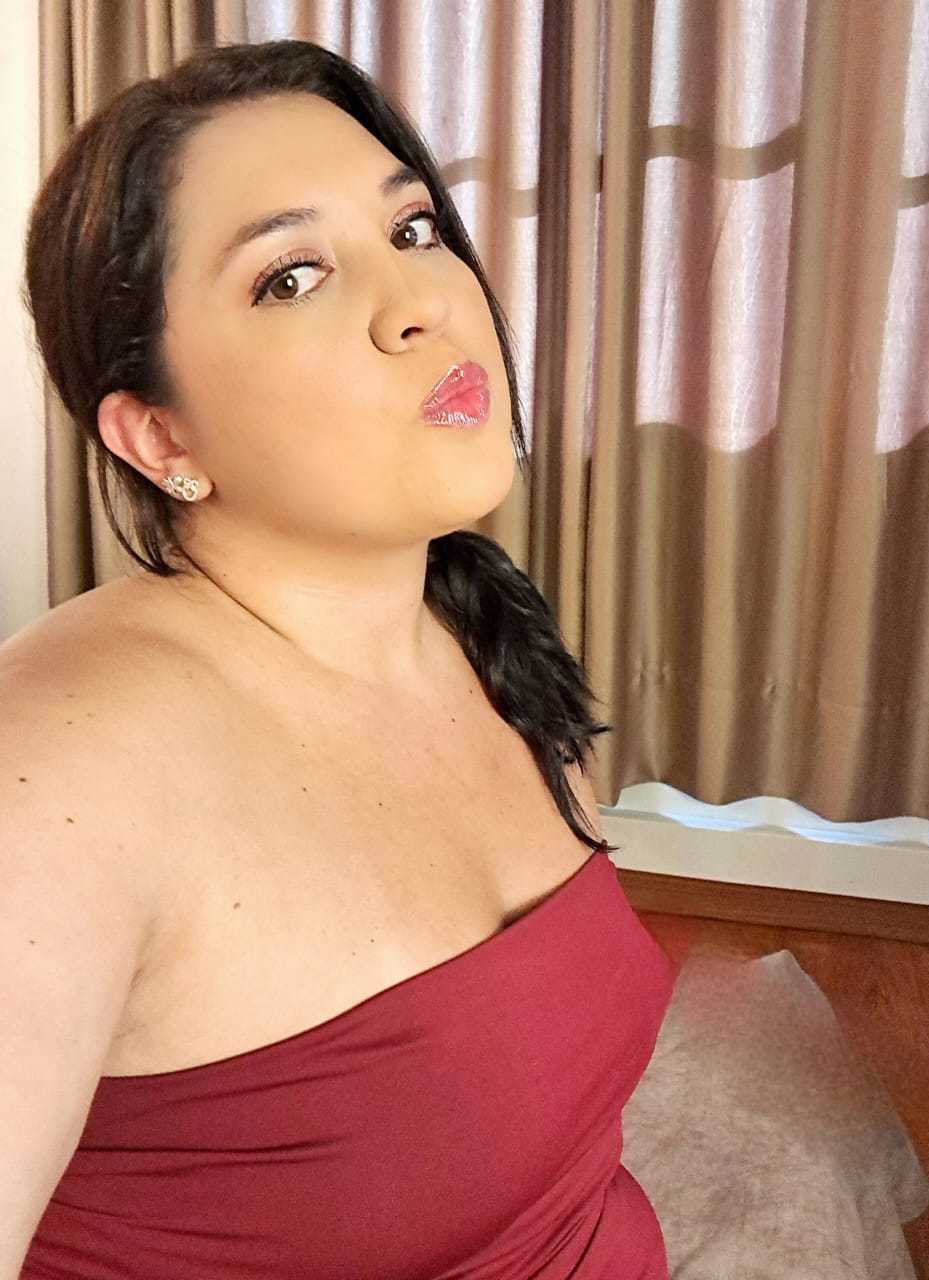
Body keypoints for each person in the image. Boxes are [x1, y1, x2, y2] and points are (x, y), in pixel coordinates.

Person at [5, 38, 677, 1279]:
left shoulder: (478, 628)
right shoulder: (58, 768)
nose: (422, 301)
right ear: (159, 436)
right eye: (292, 274)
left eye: (414, 229)